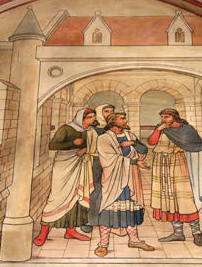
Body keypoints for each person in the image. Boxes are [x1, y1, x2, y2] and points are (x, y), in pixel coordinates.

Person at [148, 108, 202, 246]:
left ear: (174, 117)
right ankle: (178, 233)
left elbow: (199, 145)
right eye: (162, 117)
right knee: (169, 198)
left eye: (167, 117)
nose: (164, 119)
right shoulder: (161, 128)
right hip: (161, 165)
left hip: (178, 163)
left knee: (184, 198)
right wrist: (158, 130)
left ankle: (197, 233)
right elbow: (151, 142)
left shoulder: (186, 129)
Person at [33, 108, 96, 246]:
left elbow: (89, 146)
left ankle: (71, 231)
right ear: (82, 118)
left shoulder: (89, 131)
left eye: (93, 117)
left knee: (76, 197)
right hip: (64, 165)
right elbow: (52, 145)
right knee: (56, 198)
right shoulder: (66, 129)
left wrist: (84, 150)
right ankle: (43, 234)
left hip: (80, 165)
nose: (92, 120)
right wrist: (72, 144)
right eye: (89, 117)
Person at [95, 113, 154, 257]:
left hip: (131, 177)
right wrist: (133, 160)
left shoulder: (129, 135)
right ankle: (103, 244)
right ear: (113, 122)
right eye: (122, 119)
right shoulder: (104, 138)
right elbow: (109, 159)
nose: (125, 121)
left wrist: (132, 143)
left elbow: (143, 149)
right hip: (113, 178)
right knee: (109, 207)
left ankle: (134, 240)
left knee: (132, 206)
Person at [82, 103, 116, 234]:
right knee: (94, 190)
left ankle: (108, 219)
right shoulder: (92, 128)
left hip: (111, 161)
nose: (109, 114)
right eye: (106, 111)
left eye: (112, 111)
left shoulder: (115, 127)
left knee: (111, 188)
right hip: (96, 161)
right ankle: (90, 220)